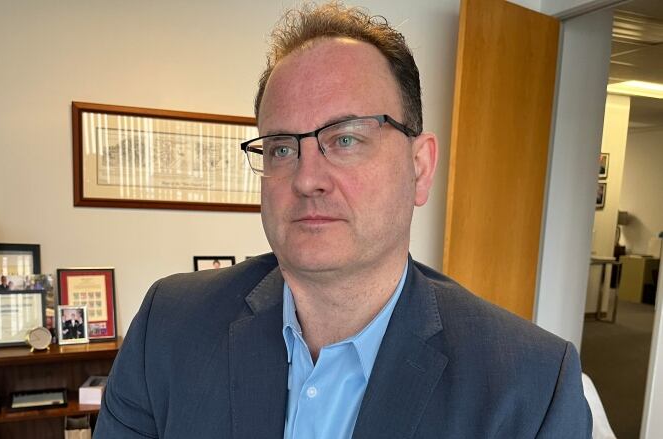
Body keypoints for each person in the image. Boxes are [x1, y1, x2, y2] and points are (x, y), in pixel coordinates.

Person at [95, 3, 591, 438]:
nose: (308, 178)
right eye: (282, 147)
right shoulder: (170, 325)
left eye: (346, 139)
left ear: (420, 168)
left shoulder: (530, 386)